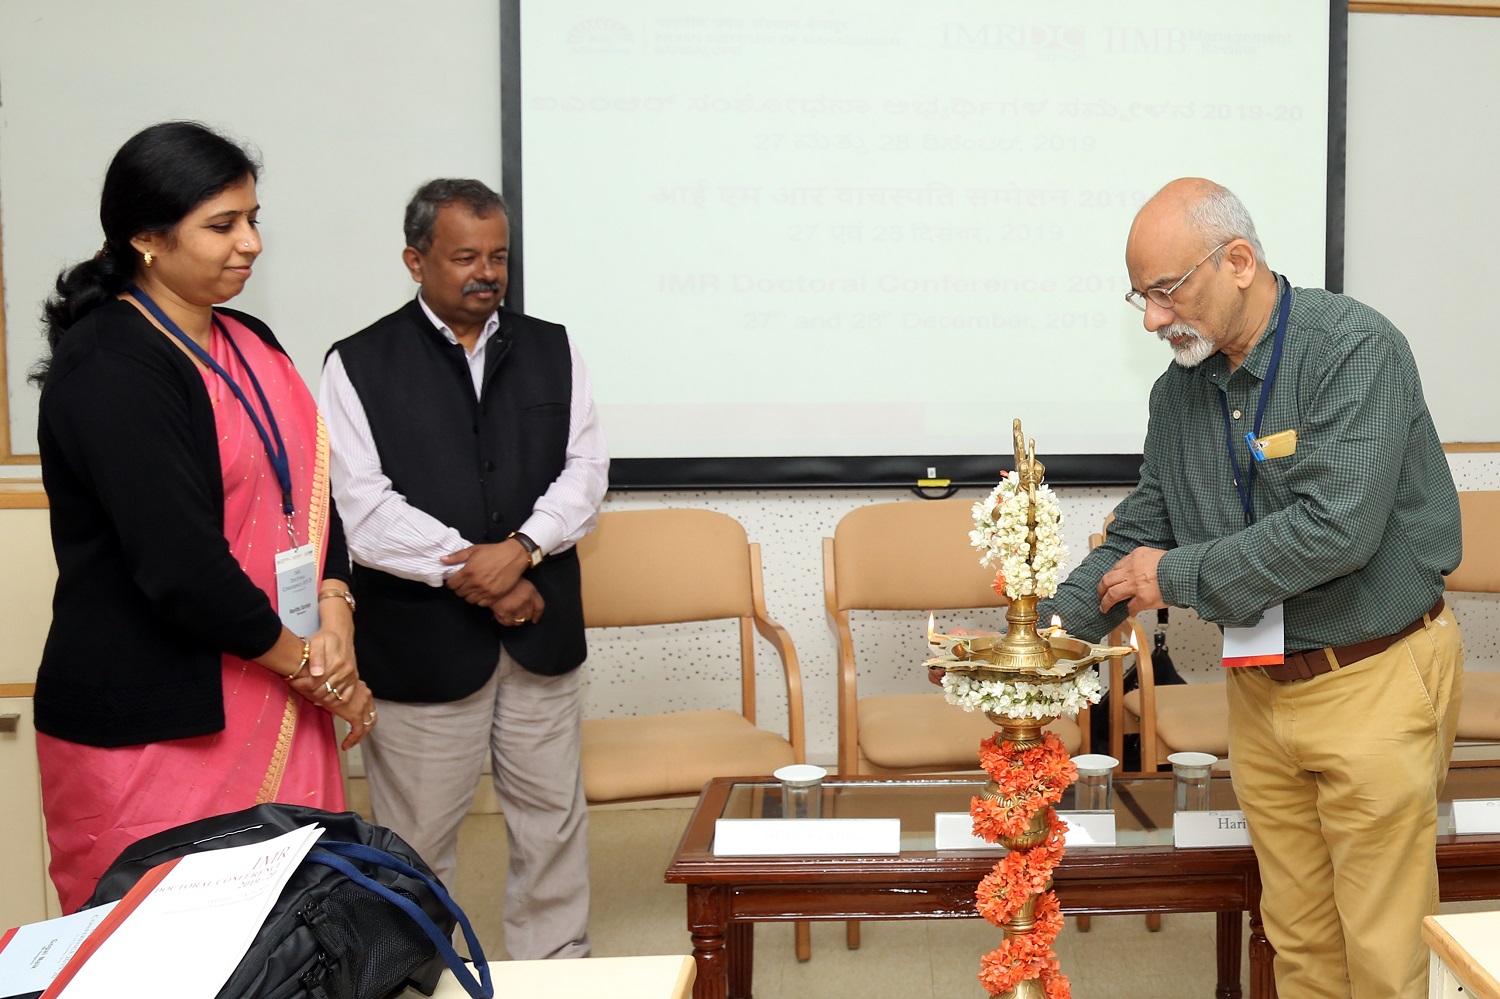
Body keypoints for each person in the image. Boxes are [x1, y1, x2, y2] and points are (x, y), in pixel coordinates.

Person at [1040, 177, 1463, 998]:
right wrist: (1038, 638)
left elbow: (1335, 528)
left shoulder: (1352, 349)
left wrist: (1180, 574)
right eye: (1142, 300)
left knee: (1381, 951)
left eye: (1167, 293)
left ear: (1238, 261)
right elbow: (1143, 530)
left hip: (1371, 673)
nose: (1156, 320)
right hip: (1261, 691)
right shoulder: (1179, 393)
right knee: (1299, 942)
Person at [31, 121, 375, 912]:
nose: (250, 242)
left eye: (253, 218)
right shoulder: (111, 362)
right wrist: (318, 673)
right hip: (159, 724)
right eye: (223, 225)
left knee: (294, 943)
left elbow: (314, 492)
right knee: (161, 953)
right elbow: (177, 566)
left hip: (283, 686)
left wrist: (335, 607)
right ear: (147, 238)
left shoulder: (251, 340)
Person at [321, 178, 607, 960]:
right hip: (421, 649)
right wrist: (477, 574)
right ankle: (419, 972)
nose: (487, 273)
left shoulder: (554, 345)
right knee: (414, 842)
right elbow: (363, 506)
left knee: (551, 825)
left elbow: (584, 472)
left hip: (539, 637)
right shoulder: (357, 363)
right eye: (465, 257)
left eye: (499, 257)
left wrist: (522, 551)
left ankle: (557, 971)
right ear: (415, 261)